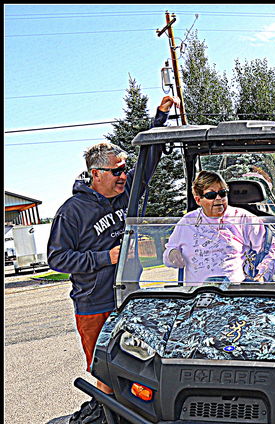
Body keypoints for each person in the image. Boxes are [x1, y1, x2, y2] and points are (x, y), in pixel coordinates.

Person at [47, 95, 180, 394]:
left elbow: (149, 160)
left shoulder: (126, 194)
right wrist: (104, 258)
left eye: (124, 169)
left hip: (130, 296)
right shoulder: (72, 211)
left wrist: (160, 117)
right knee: (105, 371)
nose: (123, 176)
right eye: (117, 171)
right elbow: (57, 259)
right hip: (94, 303)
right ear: (96, 174)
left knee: (139, 365)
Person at [163, 170, 275, 284]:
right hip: (196, 295)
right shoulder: (187, 222)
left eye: (222, 193)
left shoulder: (244, 219)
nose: (219, 198)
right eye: (211, 195)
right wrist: (172, 254)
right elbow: (169, 254)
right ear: (198, 200)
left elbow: (273, 249)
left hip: (235, 295)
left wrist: (262, 276)